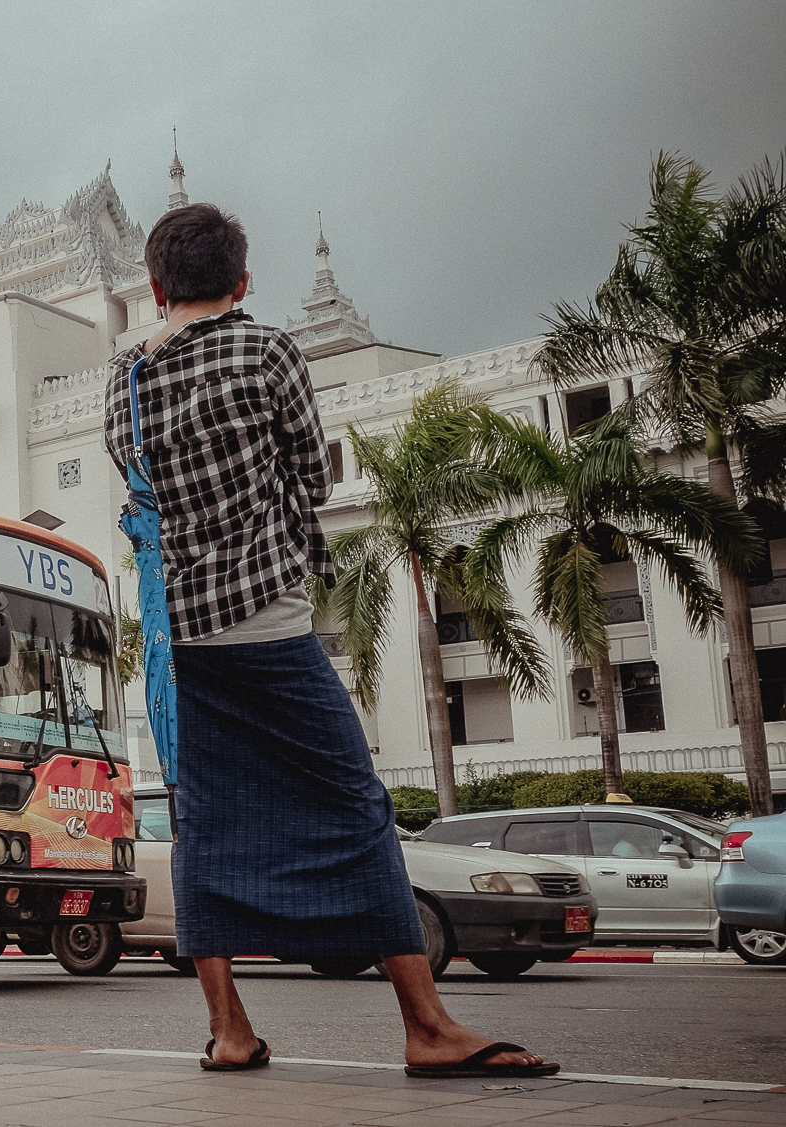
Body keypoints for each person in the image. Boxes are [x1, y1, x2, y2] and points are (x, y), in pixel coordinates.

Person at [103, 203, 558, 1079]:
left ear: (157, 289)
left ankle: (230, 1030)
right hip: (267, 626)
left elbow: (139, 486)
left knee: (204, 821)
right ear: (241, 282)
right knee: (355, 807)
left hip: (177, 646)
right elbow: (311, 472)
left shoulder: (125, 378)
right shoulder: (268, 349)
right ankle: (427, 1025)